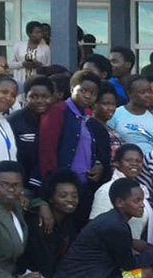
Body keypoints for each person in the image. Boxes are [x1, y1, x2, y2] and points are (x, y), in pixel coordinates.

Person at [39, 70, 111, 221]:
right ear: (72, 89)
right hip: (62, 189)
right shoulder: (58, 111)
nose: (88, 96)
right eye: (83, 91)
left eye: (93, 93)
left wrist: (98, 164)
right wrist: (52, 184)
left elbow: (89, 149)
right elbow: (47, 150)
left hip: (82, 187)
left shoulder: (87, 118)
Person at [90, 144, 150, 240]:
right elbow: (96, 227)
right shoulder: (106, 190)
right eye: (129, 160)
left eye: (138, 161)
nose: (134, 164)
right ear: (117, 163)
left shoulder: (140, 189)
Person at [8, 76, 53, 193]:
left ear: (52, 97)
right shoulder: (14, 121)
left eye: (45, 96)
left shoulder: (58, 120)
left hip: (51, 184)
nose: (39, 101)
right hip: (22, 185)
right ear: (25, 97)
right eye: (33, 96)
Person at [108, 75, 153, 155]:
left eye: (149, 91)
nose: (147, 95)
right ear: (129, 93)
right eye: (142, 92)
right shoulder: (116, 114)